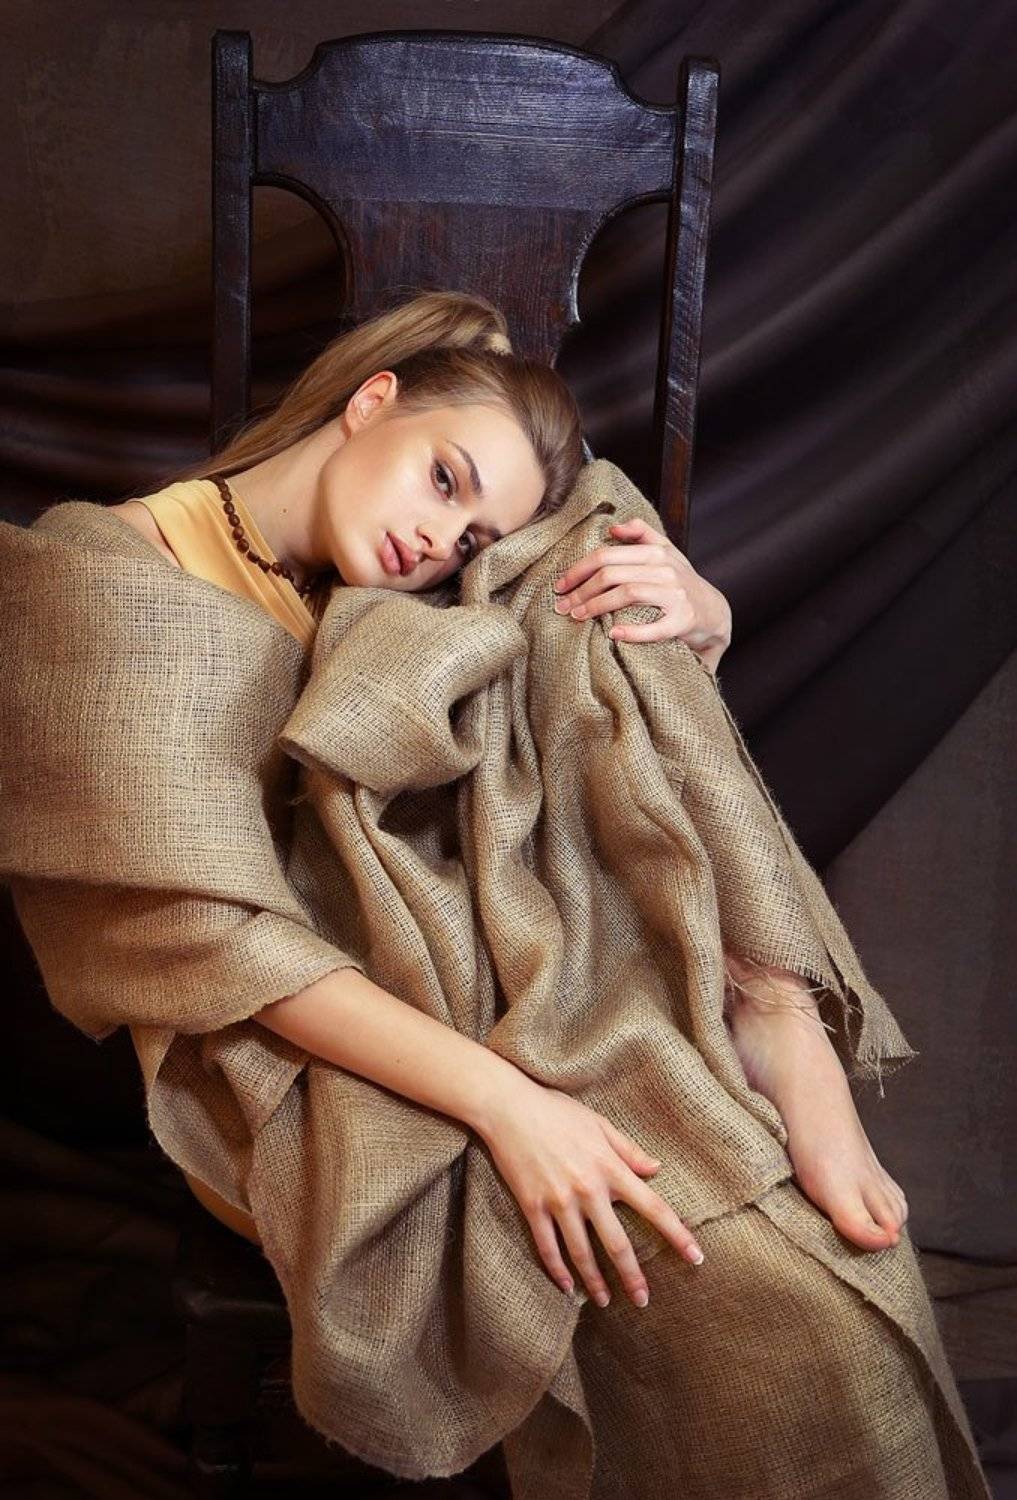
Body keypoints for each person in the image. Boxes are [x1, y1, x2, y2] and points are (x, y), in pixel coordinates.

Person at [39, 287, 986, 1495]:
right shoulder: (107, 576)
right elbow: (214, 945)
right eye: (442, 479)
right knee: (764, 1291)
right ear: (370, 401)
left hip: (489, 937)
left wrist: (705, 613)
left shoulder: (408, 578)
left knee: (600, 540)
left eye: (469, 532)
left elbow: (584, 632)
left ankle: (776, 1004)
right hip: (289, 1036)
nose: (440, 541)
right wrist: (511, 1108)